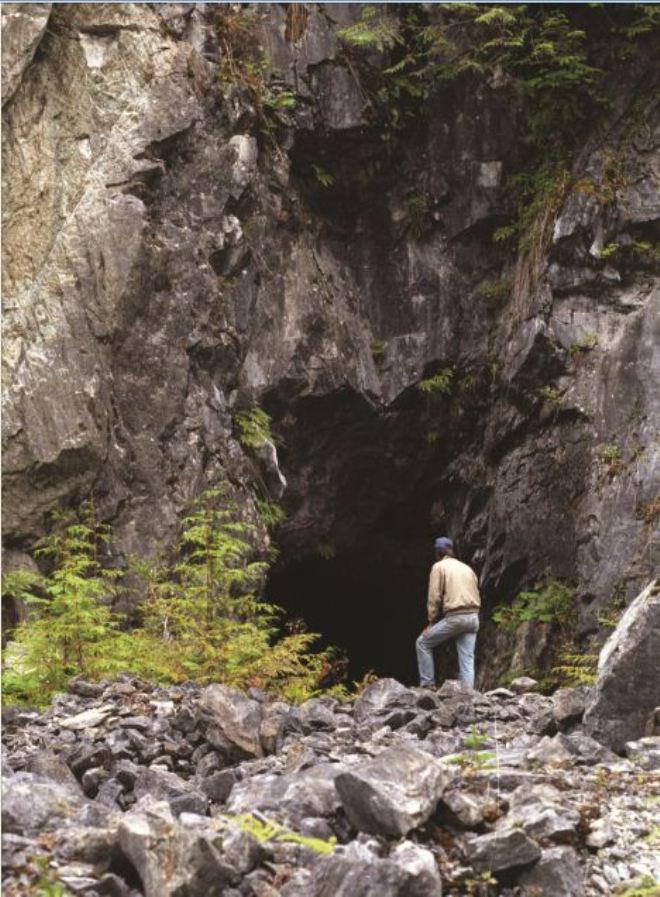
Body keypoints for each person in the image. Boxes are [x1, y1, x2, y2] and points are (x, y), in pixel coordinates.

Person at [415, 537, 481, 689]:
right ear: (451, 550)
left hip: (455, 616)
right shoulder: (467, 568)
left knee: (422, 643)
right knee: (467, 658)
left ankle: (427, 684)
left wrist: (431, 623)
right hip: (473, 617)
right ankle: (468, 694)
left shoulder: (439, 567)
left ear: (438, 552)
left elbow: (434, 596)